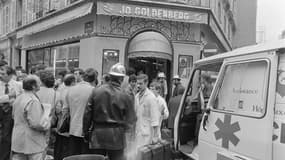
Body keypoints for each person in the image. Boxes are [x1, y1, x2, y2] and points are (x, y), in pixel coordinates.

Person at [83, 63, 136, 160]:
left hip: (98, 135)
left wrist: (86, 132)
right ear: (122, 79)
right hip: (117, 137)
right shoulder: (125, 95)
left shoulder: (96, 91)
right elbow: (131, 119)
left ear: (110, 76)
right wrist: (126, 131)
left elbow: (87, 114)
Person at [11, 75, 48, 160]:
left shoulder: (19, 98)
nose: (41, 84)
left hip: (18, 138)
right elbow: (36, 123)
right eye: (39, 83)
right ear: (33, 86)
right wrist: (46, 124)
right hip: (32, 141)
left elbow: (13, 116)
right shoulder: (33, 101)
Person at [62, 68, 96, 156]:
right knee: (86, 156)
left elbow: (65, 110)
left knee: (73, 155)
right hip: (87, 131)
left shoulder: (70, 90)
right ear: (95, 79)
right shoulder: (93, 91)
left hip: (73, 129)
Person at [0, 66, 22, 160]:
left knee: (7, 136)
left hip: (11, 112)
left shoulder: (18, 85)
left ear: (10, 75)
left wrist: (10, 98)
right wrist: (9, 96)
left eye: (3, 74)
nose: (0, 75)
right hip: (1, 110)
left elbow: (20, 98)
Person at [54, 74, 76, 160]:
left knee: (59, 145)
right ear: (73, 82)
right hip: (68, 123)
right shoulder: (72, 92)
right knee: (67, 147)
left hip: (60, 123)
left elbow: (58, 108)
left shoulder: (60, 91)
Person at [135, 74, 160, 147]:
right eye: (137, 83)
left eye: (140, 84)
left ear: (146, 83)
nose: (138, 86)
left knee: (145, 155)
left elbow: (155, 118)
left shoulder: (151, 97)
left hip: (147, 134)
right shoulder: (136, 96)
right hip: (138, 131)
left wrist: (155, 137)